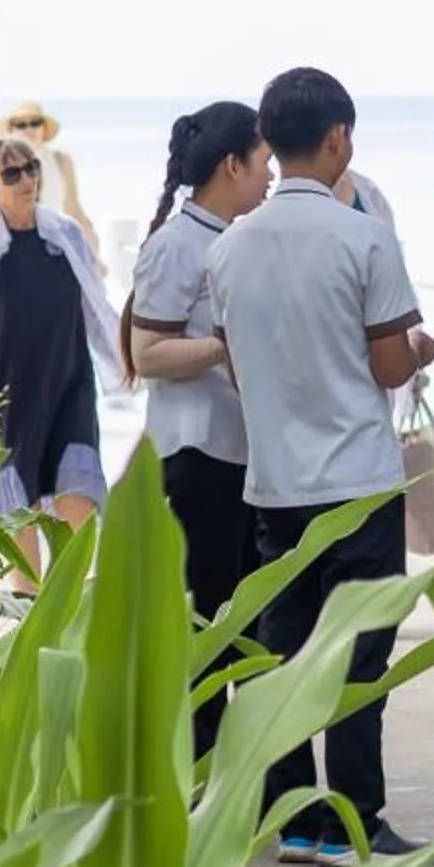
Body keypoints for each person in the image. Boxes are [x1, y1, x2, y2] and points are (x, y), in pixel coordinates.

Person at [209, 67, 434, 867]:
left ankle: (293, 818)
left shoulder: (229, 248)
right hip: (359, 476)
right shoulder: (364, 237)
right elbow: (385, 367)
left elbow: (238, 365)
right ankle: (353, 819)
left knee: (283, 654)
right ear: (338, 138)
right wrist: (415, 349)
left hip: (274, 479)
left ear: (270, 143)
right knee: (359, 656)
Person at [123, 100, 278, 750]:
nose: (271, 176)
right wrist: (224, 345)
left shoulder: (235, 238)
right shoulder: (176, 246)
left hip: (243, 457)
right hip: (197, 458)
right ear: (231, 165)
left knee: (250, 620)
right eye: (264, 162)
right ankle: (196, 765)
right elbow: (146, 353)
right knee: (205, 622)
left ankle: (241, 767)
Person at [0, 132, 121, 575]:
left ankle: (75, 603)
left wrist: (127, 363)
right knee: (18, 504)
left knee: (77, 498)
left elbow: (96, 305)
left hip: (68, 381)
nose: (26, 179)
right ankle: (30, 617)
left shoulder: (63, 233)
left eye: (32, 168)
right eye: (11, 172)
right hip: (7, 391)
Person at [4, 102, 104, 274]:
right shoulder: (3, 165)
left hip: (58, 241)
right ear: (11, 130)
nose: (28, 129)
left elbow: (73, 206)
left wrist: (92, 252)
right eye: (20, 124)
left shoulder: (60, 160)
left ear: (44, 128)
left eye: (35, 123)